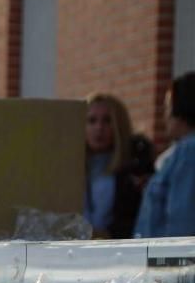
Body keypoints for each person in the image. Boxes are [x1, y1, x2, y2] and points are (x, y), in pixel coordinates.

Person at [83, 94, 154, 238]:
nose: (99, 128)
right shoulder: (71, 166)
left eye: (107, 120)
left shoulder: (136, 166)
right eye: (91, 120)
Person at [134, 72, 195, 238]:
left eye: (168, 107)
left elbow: (182, 217)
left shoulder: (188, 152)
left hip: (166, 258)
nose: (164, 116)